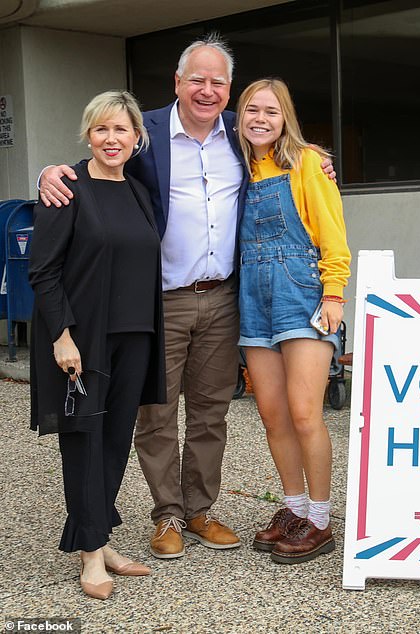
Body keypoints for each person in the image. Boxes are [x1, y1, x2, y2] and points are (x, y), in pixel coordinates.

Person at [38, 34, 335, 560]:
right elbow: (104, 153)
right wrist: (51, 172)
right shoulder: (145, 131)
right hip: (160, 298)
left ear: (229, 91)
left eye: (218, 82)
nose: (207, 90)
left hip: (225, 296)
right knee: (155, 411)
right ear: (177, 83)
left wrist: (314, 157)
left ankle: (200, 509)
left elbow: (285, 155)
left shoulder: (241, 135)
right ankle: (167, 514)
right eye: (196, 79)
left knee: (211, 410)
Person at [29, 90, 166, 600]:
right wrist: (62, 336)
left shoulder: (135, 190)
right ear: (88, 134)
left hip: (136, 336)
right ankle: (90, 558)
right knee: (85, 441)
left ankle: (99, 537)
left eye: (122, 130)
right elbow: (43, 271)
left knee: (114, 440)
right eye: (102, 129)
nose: (112, 139)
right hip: (83, 340)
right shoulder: (67, 187)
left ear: (136, 138)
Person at [236, 78, 351, 563]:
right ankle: (294, 507)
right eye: (251, 110)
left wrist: (334, 293)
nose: (261, 119)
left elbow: (332, 234)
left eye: (272, 111)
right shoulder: (235, 167)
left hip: (302, 295)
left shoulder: (306, 162)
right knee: (272, 415)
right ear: (237, 117)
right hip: (251, 299)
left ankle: (321, 520)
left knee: (306, 413)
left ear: (286, 118)